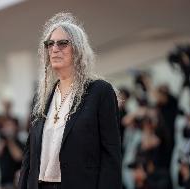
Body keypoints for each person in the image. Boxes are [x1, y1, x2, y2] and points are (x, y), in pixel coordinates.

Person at [18, 12, 122, 189]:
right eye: (50, 44)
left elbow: (111, 155)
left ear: (78, 49)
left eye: (62, 43)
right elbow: (30, 155)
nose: (54, 48)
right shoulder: (41, 96)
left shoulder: (99, 91)